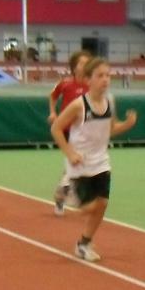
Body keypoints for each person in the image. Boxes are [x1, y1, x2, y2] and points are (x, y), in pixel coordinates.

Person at [51, 57, 137, 262]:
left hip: (101, 161)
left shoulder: (110, 101)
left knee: (103, 203)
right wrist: (70, 153)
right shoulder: (79, 105)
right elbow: (56, 128)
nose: (105, 79)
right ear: (88, 80)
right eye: (100, 76)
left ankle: (84, 243)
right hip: (80, 162)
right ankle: (66, 192)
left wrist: (127, 124)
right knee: (89, 208)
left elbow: (110, 129)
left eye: (108, 75)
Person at [48, 50, 91, 215]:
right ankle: (67, 188)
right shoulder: (65, 84)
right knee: (76, 159)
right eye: (81, 63)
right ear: (74, 67)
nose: (85, 66)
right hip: (66, 129)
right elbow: (52, 96)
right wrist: (53, 112)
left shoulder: (91, 85)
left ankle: (64, 189)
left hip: (85, 129)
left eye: (87, 63)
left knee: (80, 161)